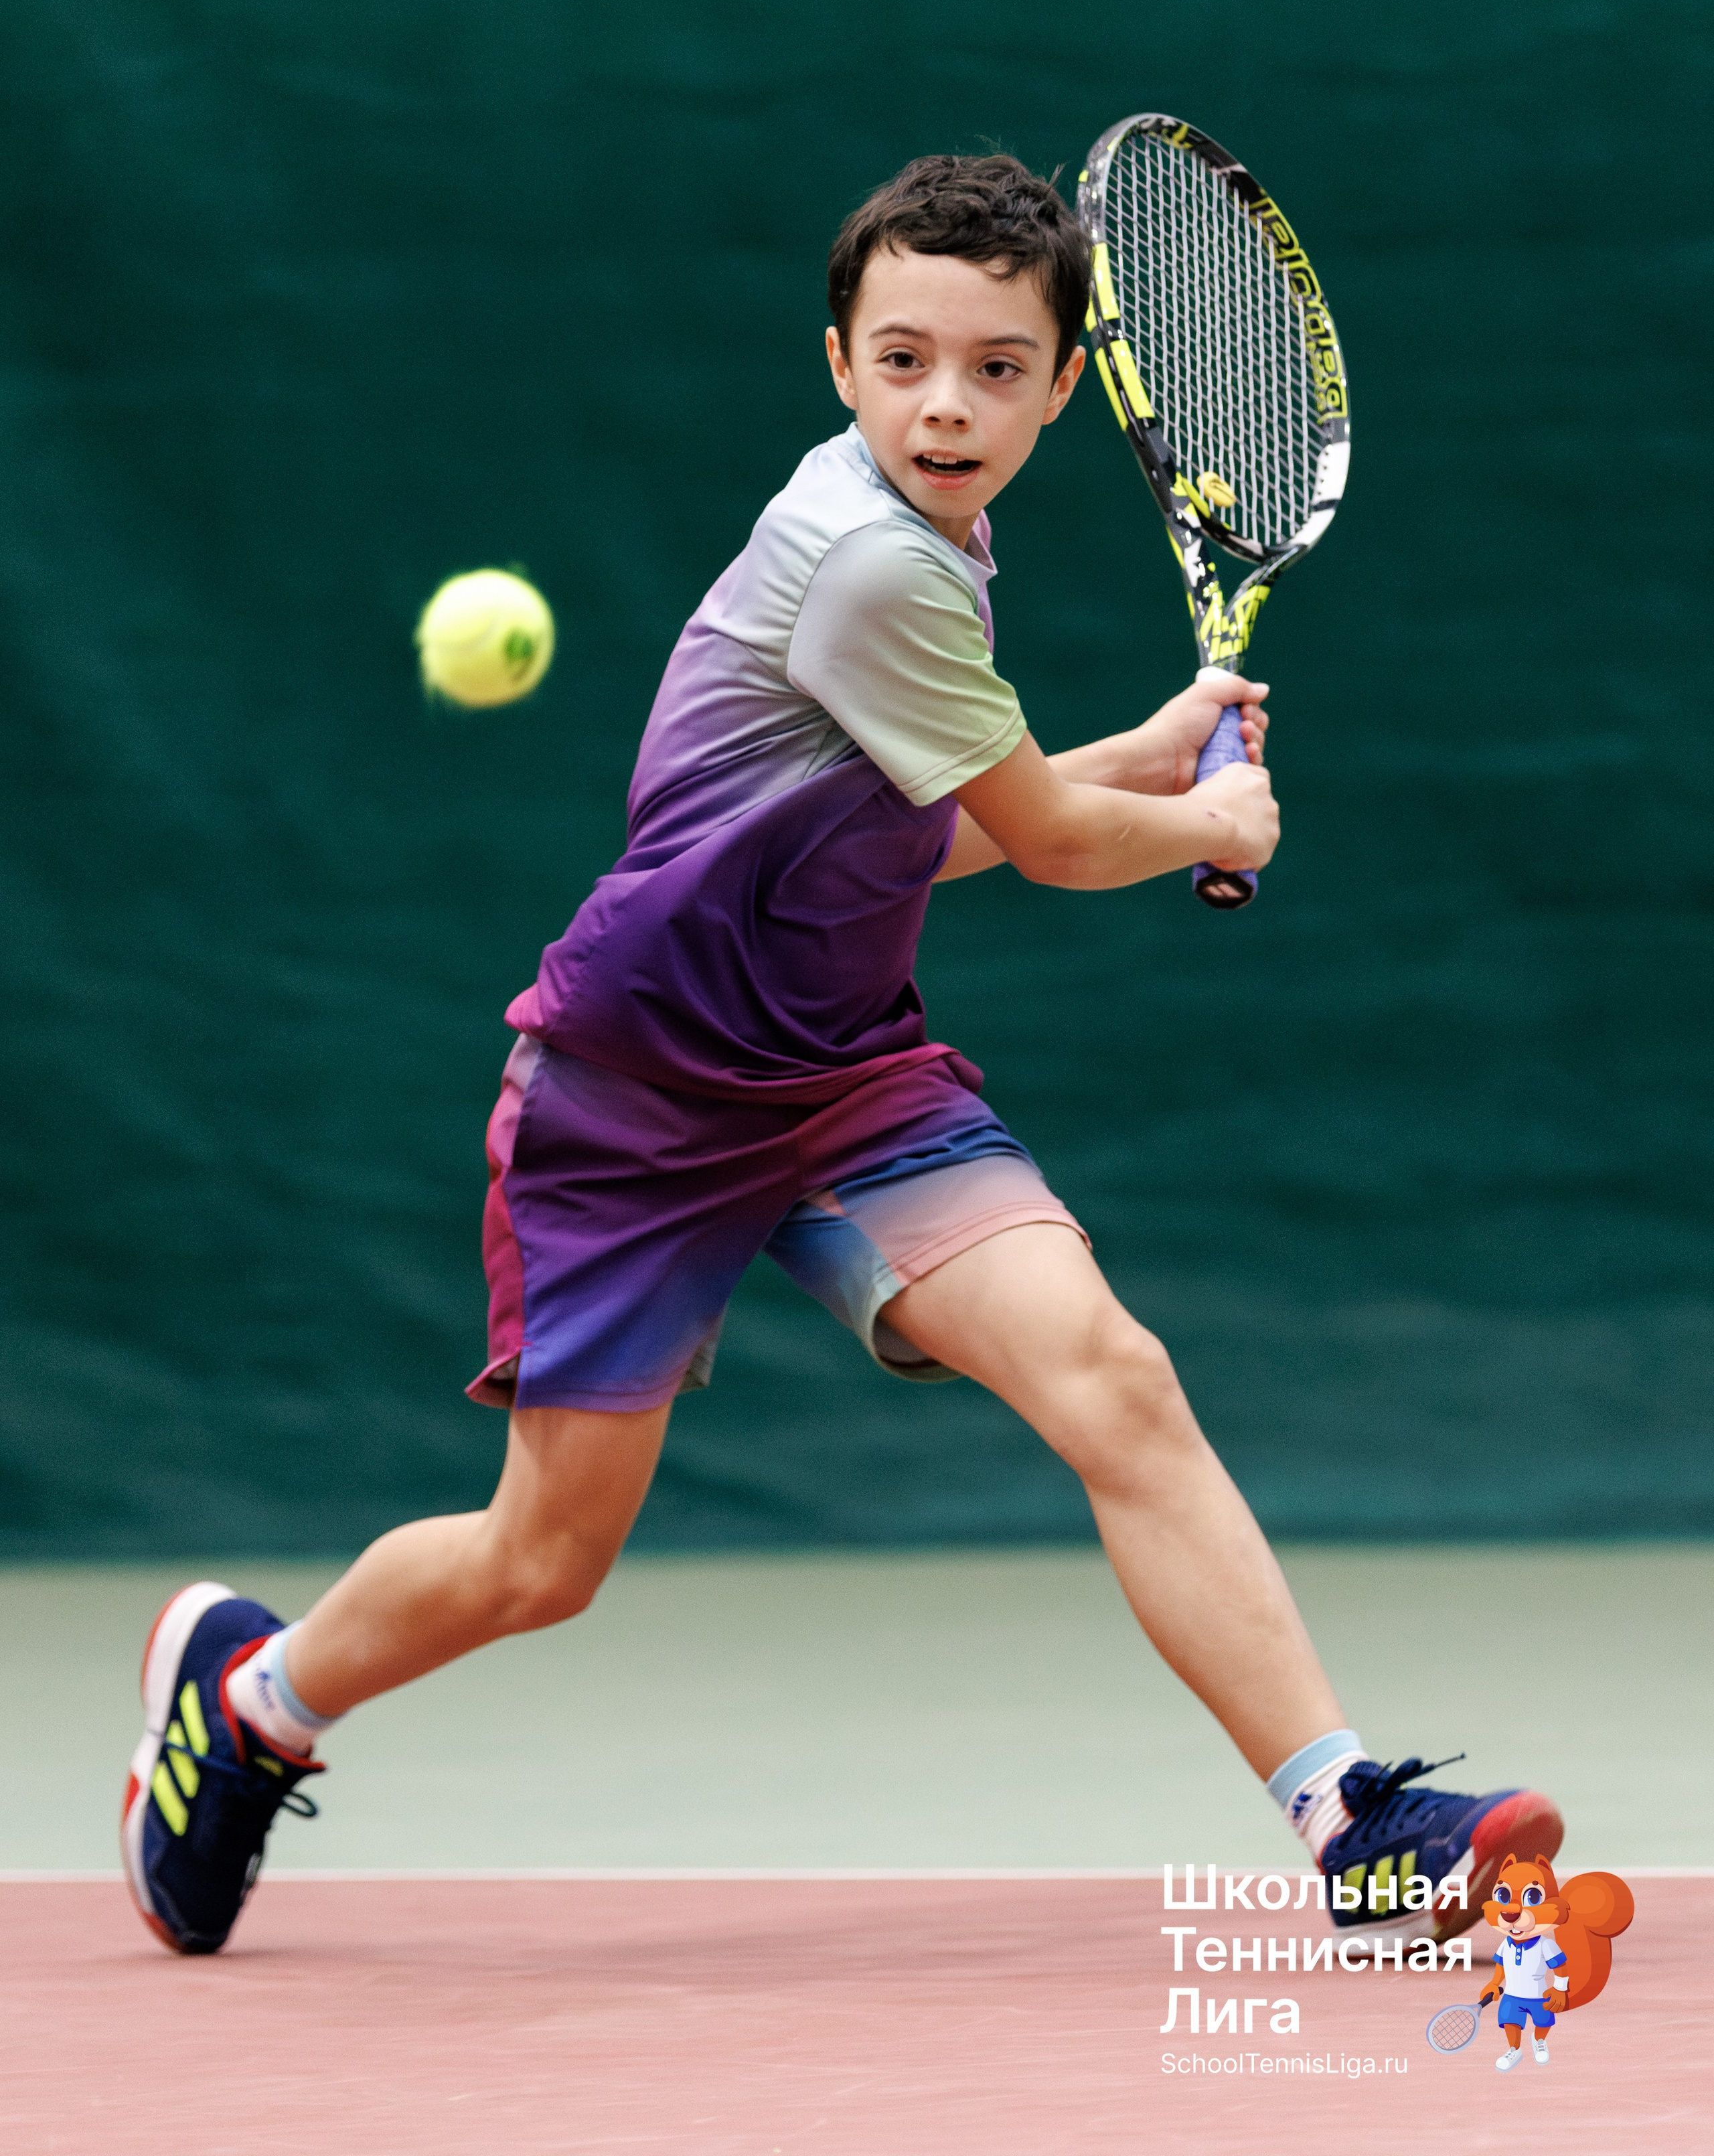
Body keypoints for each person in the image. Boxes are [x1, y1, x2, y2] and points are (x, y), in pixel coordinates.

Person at [123, 153, 1561, 1956]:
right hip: (635, 1098)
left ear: (1064, 383)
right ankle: (251, 1705)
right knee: (542, 1563)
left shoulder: (940, 546)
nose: (945, 403)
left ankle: (1350, 1816)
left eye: (994, 366)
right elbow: (1035, 843)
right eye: (902, 360)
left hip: (849, 1076)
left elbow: (927, 830)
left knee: (1113, 1376)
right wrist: (1221, 827)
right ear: (839, 365)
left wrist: (1133, 752)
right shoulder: (871, 561)